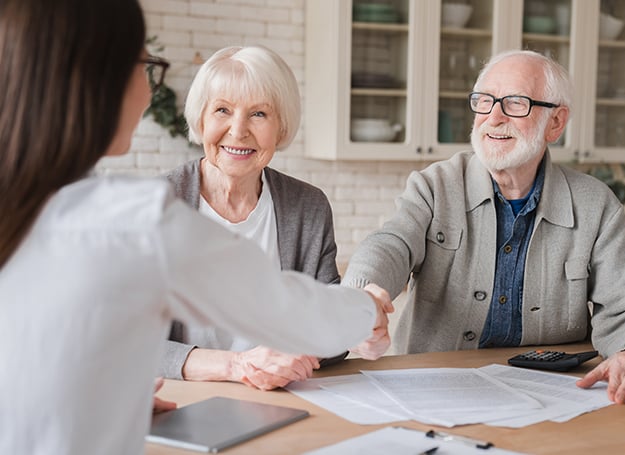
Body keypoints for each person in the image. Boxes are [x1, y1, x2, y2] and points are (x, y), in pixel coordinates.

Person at [0, 0, 393, 453]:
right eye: (144, 67)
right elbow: (284, 308)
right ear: (97, 80)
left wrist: (106, 394)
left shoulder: (44, 208)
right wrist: (367, 308)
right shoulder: (136, 220)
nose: (148, 93)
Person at [342, 49, 625, 405]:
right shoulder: (434, 185)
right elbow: (391, 244)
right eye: (484, 102)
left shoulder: (596, 204)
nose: (493, 117)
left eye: (515, 103)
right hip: (434, 389)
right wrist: (359, 296)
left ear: (556, 123)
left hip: (553, 396)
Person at [161, 45, 375, 390]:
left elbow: (329, 334)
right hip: (182, 398)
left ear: (281, 126)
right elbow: (127, 343)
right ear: (201, 119)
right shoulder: (156, 207)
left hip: (284, 397)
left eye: (259, 114)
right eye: (222, 110)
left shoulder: (308, 206)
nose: (238, 130)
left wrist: (354, 323)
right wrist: (239, 366)